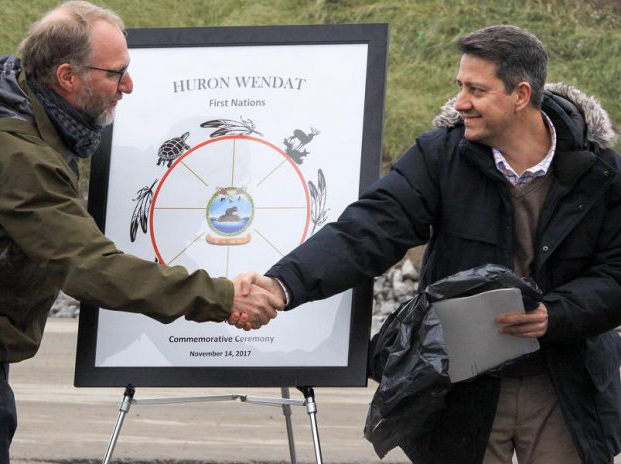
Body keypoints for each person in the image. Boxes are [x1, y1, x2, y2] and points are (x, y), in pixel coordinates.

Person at [234, 25, 621, 464]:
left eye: (476, 89)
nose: (460, 103)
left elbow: (617, 274)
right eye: (460, 86)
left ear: (520, 94)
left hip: (565, 382)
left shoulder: (602, 172)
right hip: (461, 382)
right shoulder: (439, 156)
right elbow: (369, 229)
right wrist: (283, 285)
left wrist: (557, 314)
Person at [0, 2, 281, 462]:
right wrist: (222, 295)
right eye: (116, 74)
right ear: (67, 77)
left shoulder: (15, 106)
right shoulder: (17, 152)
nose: (127, 86)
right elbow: (88, 266)